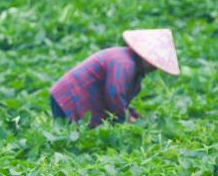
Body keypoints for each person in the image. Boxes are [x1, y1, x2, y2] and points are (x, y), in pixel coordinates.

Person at [49, 29, 180, 128]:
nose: (155, 68)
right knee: (67, 137)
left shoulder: (131, 64)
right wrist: (124, 119)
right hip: (67, 99)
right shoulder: (124, 63)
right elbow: (114, 94)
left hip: (70, 98)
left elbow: (120, 98)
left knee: (75, 135)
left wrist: (132, 114)